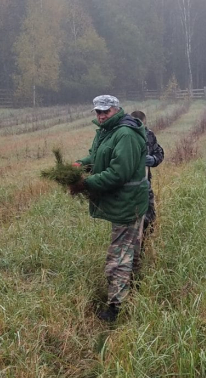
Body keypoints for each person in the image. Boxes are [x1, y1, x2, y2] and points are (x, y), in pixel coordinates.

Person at [70, 95, 148, 322]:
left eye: (106, 111)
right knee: (128, 251)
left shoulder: (125, 134)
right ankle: (129, 293)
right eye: (98, 111)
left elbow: (118, 173)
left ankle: (116, 308)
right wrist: (81, 164)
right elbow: (98, 158)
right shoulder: (108, 131)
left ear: (117, 109)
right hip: (122, 202)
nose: (101, 115)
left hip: (127, 203)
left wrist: (85, 183)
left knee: (118, 258)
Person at [130, 110, 164, 238]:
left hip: (145, 185)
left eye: (142, 125)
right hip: (128, 187)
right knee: (130, 222)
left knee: (148, 220)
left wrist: (154, 159)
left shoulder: (149, 135)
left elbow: (159, 152)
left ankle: (144, 249)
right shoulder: (124, 136)